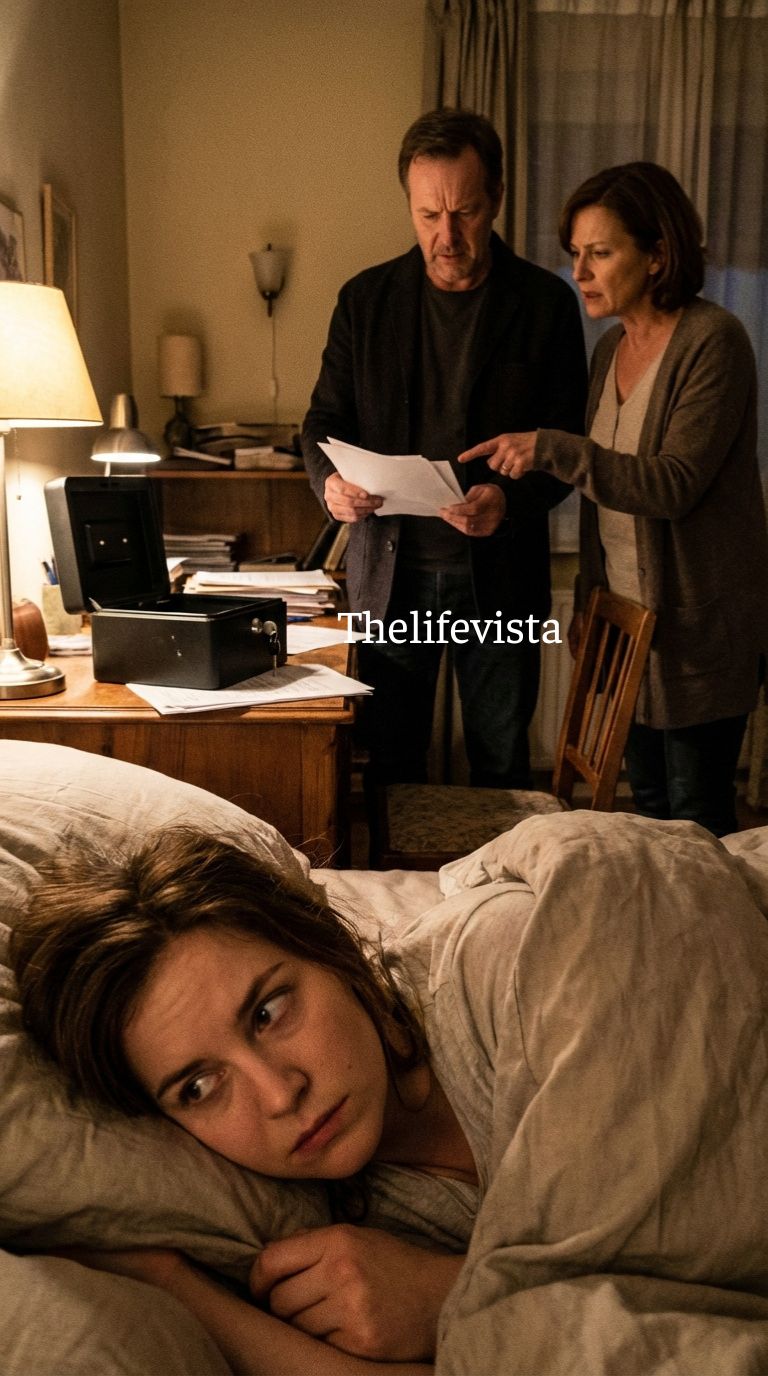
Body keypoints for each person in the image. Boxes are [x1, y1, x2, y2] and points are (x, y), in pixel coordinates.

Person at [11, 819, 768, 1374]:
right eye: (200, 1087)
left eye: (269, 1012)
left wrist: (448, 1300)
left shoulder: (511, 960)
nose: (279, 1095)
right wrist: (174, 1287)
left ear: (329, 952)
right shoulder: (351, 1219)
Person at [460, 161, 768, 836]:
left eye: (600, 253)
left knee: (697, 826)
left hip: (697, 634)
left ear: (658, 254)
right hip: (629, 633)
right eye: (575, 253)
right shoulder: (608, 351)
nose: (580, 272)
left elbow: (672, 485)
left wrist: (552, 448)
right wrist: (590, 604)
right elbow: (600, 500)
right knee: (646, 818)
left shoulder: (713, 341)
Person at [302, 108, 587, 792]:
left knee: (501, 769)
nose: (447, 235)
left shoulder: (545, 303)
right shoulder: (365, 300)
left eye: (465, 212)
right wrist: (330, 485)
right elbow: (320, 423)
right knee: (391, 767)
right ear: (409, 203)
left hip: (501, 581)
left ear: (496, 200)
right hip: (390, 580)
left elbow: (568, 444)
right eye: (428, 215)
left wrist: (508, 500)